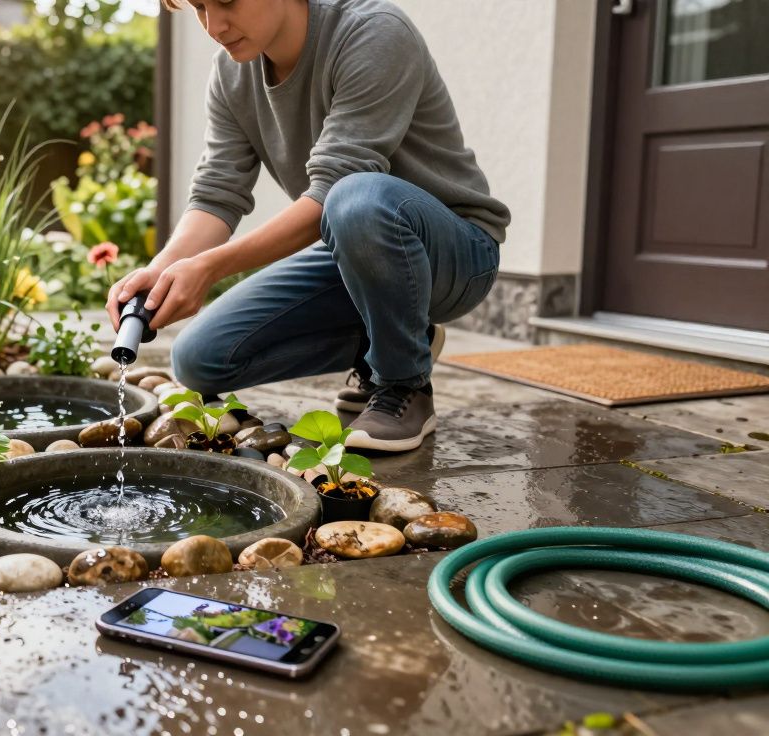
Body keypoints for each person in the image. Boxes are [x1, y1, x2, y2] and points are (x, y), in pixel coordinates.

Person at [106, 0, 510, 453]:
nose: (213, 25)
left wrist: (209, 268)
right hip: (353, 250)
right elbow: (217, 196)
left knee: (355, 197)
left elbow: (331, 192)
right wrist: (161, 274)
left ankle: (404, 384)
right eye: (199, 7)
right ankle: (395, 337)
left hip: (455, 254)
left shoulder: (374, 32)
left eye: (225, 1)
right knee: (198, 359)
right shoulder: (232, 74)